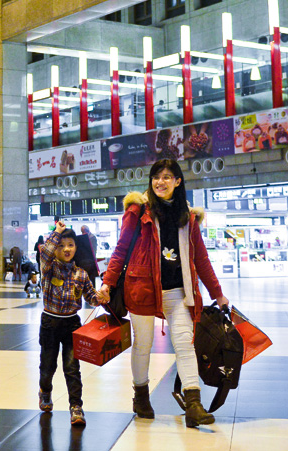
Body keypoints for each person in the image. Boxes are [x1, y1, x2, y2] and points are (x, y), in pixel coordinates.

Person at [99, 159, 229, 428]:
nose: (160, 182)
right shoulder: (138, 211)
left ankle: (194, 404)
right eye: (156, 177)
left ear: (178, 182)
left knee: (185, 344)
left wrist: (218, 293)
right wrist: (107, 283)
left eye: (167, 177)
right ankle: (141, 396)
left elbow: (201, 258)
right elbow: (121, 248)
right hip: (142, 289)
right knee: (143, 345)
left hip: (179, 292)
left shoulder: (188, 217)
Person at [37, 223, 107, 426]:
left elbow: (91, 297)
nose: (66, 249)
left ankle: (76, 406)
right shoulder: (48, 268)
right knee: (48, 366)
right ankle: (45, 391)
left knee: (72, 368)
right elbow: (45, 253)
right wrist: (56, 233)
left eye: (70, 245)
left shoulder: (81, 274)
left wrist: (101, 297)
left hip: (72, 324)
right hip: (50, 322)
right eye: (61, 246)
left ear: (76, 247)